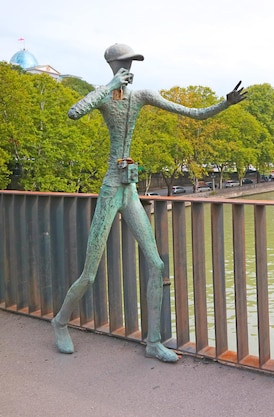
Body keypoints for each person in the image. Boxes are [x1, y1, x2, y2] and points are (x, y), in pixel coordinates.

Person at [51, 43, 247, 362]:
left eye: (133, 63)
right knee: (89, 274)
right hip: (110, 187)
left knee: (156, 264)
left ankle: (153, 342)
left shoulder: (141, 97)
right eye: (127, 62)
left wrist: (225, 104)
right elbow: (74, 112)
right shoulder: (105, 95)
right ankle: (60, 322)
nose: (131, 68)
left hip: (128, 188)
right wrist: (109, 88)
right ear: (114, 64)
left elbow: (194, 115)